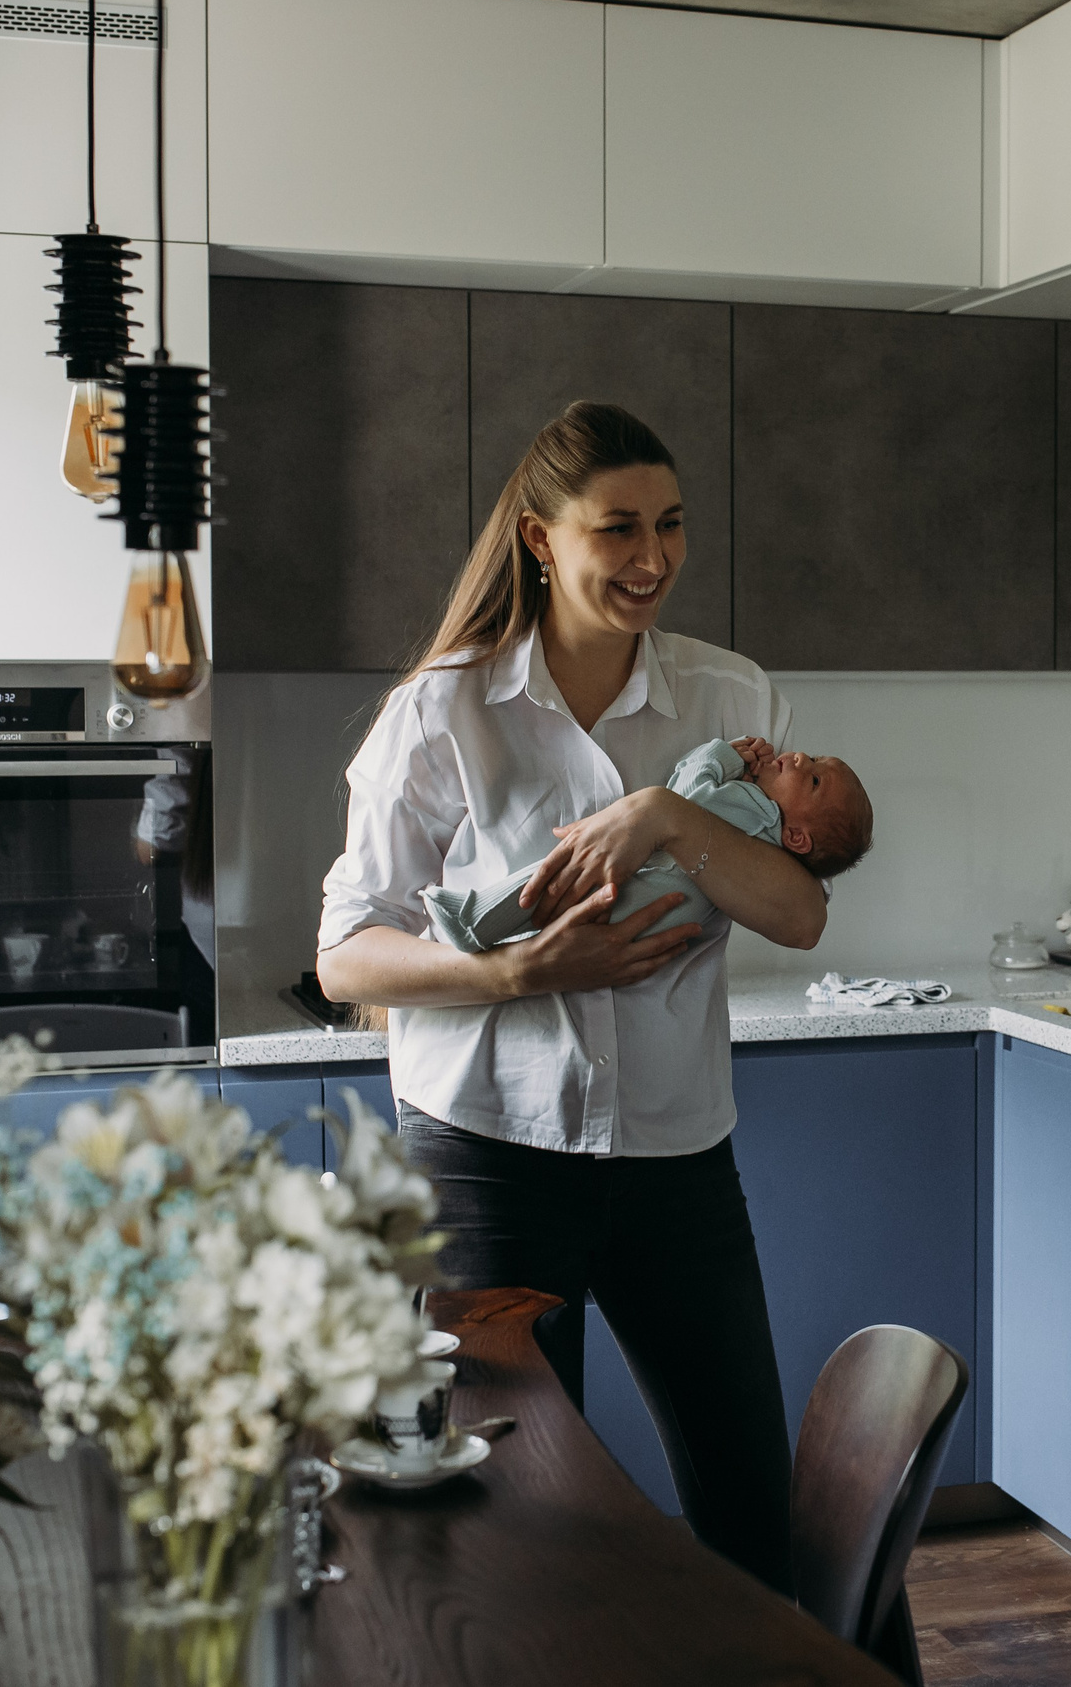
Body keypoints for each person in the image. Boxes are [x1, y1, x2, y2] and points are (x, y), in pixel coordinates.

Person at [315, 400, 827, 1596]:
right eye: (617, 530)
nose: (652, 558)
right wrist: (515, 973)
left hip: (677, 1165)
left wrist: (664, 815)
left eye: (671, 525)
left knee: (750, 1503)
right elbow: (347, 953)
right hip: (488, 1159)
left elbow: (799, 914)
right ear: (542, 539)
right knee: (509, 1519)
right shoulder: (445, 711)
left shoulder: (729, 701)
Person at [423, 735, 871, 954]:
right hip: (655, 918)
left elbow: (688, 791)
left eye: (812, 777)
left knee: (558, 876)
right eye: (812, 757)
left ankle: (473, 918)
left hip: (647, 891)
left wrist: (721, 754)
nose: (797, 757)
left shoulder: (753, 809)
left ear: (795, 836)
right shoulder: (767, 846)